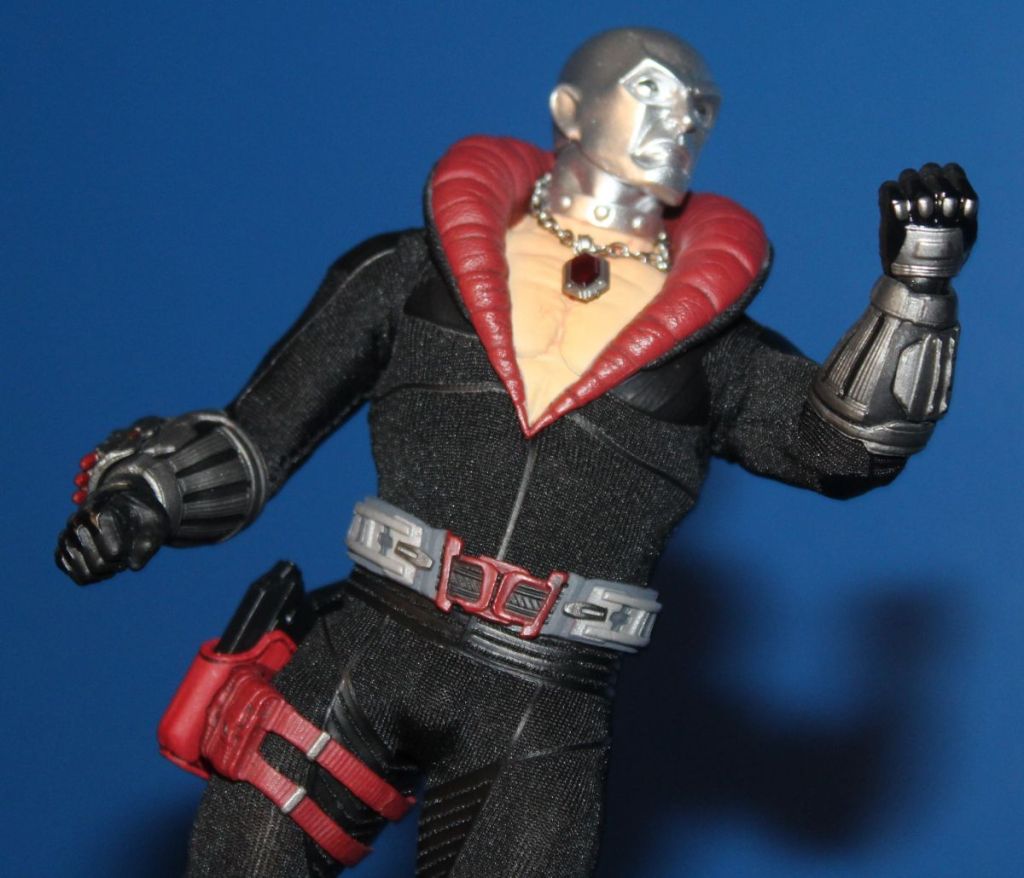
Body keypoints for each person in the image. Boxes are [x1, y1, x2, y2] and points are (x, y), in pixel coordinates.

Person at [54, 27, 976, 878]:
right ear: (569, 108)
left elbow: (843, 445)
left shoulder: (714, 350)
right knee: (241, 855)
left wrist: (917, 287)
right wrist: (142, 503)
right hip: (365, 645)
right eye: (651, 92)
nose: (681, 121)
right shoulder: (412, 273)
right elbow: (258, 433)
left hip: (542, 700)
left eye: (700, 109)